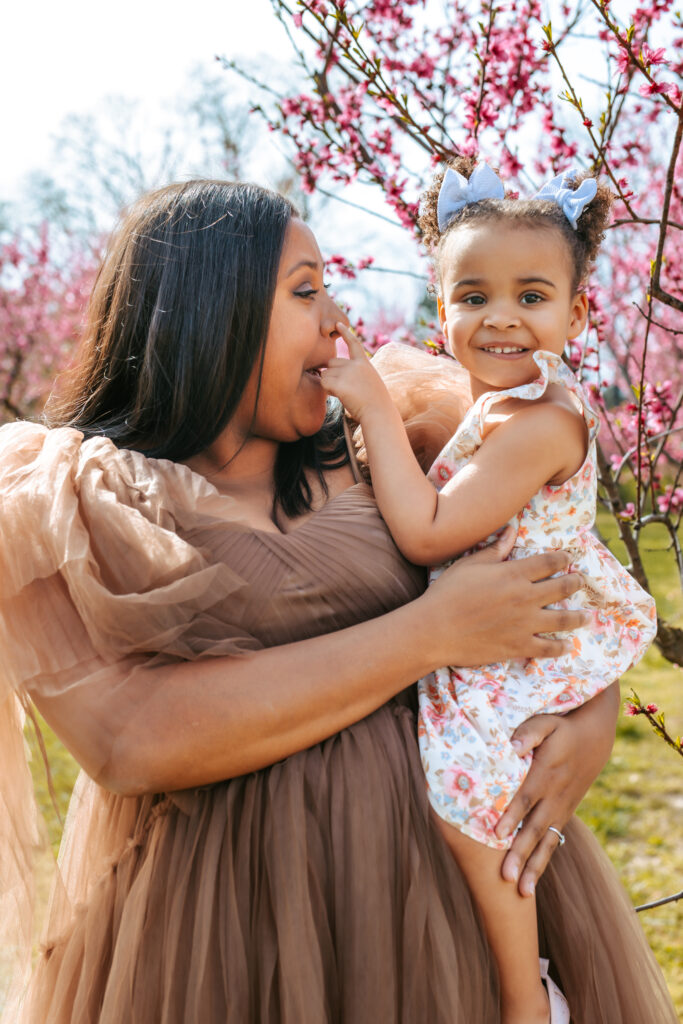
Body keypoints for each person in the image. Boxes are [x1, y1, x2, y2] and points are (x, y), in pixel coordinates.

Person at [0, 179, 676, 1024]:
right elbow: (129, 739)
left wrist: (589, 719)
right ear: (216, 308)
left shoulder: (392, 441)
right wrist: (426, 633)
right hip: (222, 928)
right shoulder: (65, 501)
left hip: (449, 910)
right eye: (306, 290)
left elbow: (545, 575)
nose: (336, 320)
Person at [321, 160, 659, 1024]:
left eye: (531, 296)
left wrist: (372, 411)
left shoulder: (542, 422)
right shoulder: (498, 412)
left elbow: (430, 531)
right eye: (472, 296)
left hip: (514, 644)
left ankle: (524, 998)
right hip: (502, 630)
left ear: (578, 313)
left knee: (473, 806)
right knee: (472, 796)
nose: (499, 316)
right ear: (441, 308)